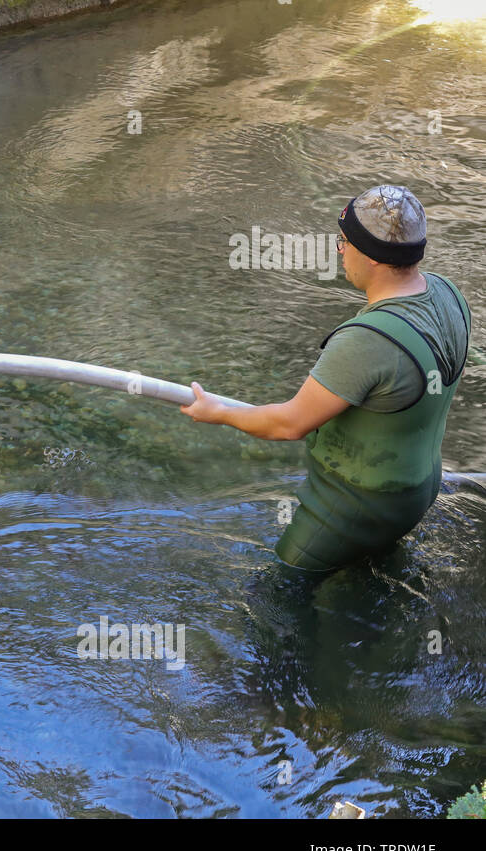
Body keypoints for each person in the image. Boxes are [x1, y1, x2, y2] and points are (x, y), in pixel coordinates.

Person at [181, 185, 472, 572]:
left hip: (354, 503)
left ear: (370, 258)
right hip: (418, 488)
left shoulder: (368, 341)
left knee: (279, 595)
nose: (338, 251)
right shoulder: (449, 294)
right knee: (366, 570)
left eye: (343, 241)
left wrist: (217, 412)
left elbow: (289, 424)